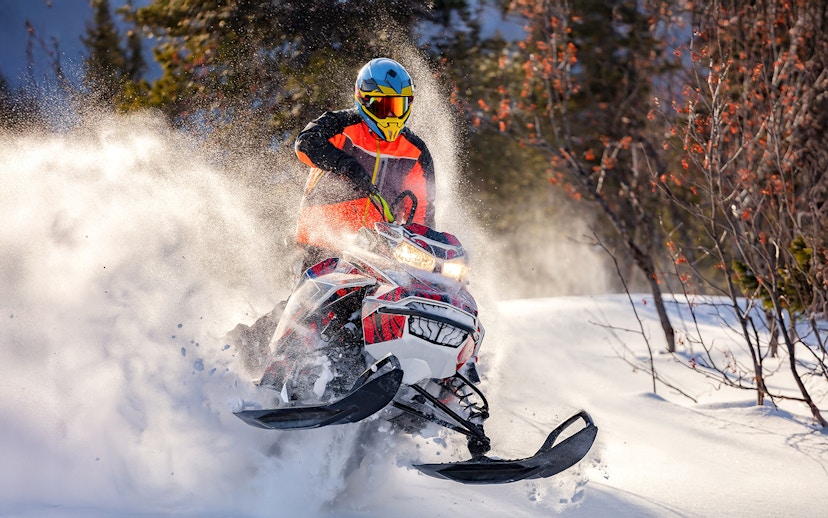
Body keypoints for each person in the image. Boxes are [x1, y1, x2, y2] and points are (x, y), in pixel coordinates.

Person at [293, 57, 436, 271]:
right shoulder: (340, 125)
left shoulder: (414, 150)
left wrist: (422, 249)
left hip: (377, 248)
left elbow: (422, 209)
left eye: (398, 106)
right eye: (383, 106)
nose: (391, 115)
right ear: (364, 100)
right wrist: (344, 164)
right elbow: (305, 145)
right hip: (323, 238)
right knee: (315, 302)